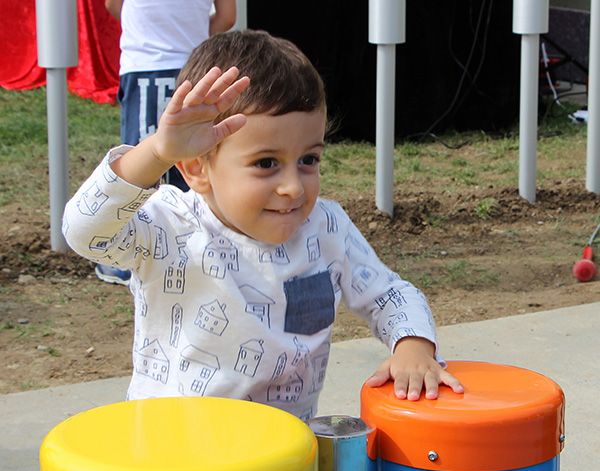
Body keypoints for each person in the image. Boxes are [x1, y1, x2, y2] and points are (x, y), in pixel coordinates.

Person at [62, 29, 463, 421]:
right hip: (173, 462)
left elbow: (389, 294)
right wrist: (156, 152)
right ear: (196, 168)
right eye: (266, 163)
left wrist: (413, 345)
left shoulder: (325, 228)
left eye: (309, 159)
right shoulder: (171, 226)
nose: (292, 187)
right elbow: (84, 231)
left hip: (279, 462)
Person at [98, 0, 236, 285]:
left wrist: (152, 33)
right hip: (192, 66)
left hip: (146, 64)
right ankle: (201, 247)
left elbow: (113, 5)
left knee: (142, 163)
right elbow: (226, 17)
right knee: (195, 162)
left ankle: (133, 257)